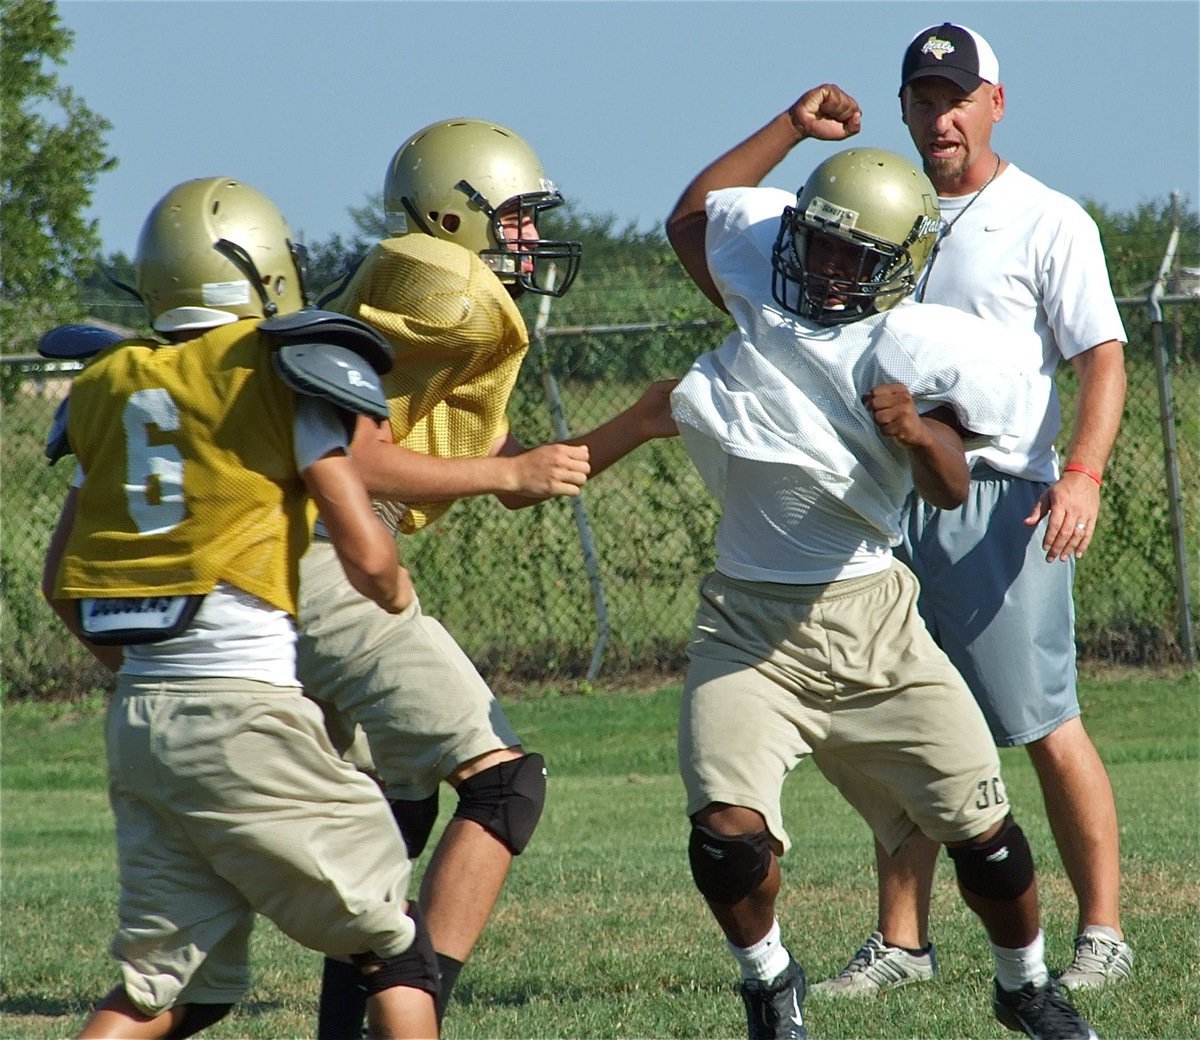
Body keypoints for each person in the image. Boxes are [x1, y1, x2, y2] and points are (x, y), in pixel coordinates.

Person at [665, 83, 1100, 1040]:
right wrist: (786, 125)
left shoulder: (916, 342)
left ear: (896, 268)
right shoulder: (761, 290)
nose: (823, 268)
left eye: (849, 255)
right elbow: (693, 215)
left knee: (989, 847)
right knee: (726, 842)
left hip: (873, 617)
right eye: (815, 241)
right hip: (746, 625)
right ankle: (769, 982)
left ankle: (1024, 985)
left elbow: (948, 485)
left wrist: (914, 433)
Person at [302, 117, 679, 1037]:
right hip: (329, 551)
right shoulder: (439, 285)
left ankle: (355, 1025)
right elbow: (355, 461)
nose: (527, 240)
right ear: (451, 216)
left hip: (317, 553)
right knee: (504, 783)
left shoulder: (432, 307)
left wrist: (640, 417)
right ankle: (417, 1006)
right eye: (513, 218)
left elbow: (511, 469)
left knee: (389, 812)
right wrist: (506, 473)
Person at [41, 177, 440, 1040]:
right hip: (243, 711)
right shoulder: (275, 370)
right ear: (261, 267)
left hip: (141, 721)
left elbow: (59, 583)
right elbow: (365, 549)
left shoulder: (110, 384)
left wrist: (150, 676)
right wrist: (392, 588)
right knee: (394, 948)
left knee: (165, 989)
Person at [814, 23, 1130, 999]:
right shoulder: (882, 213)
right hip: (892, 490)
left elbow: (1102, 358)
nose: (939, 114)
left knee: (1043, 720)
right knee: (905, 720)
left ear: (995, 102)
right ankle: (903, 942)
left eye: (957, 96)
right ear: (903, 106)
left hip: (1002, 498)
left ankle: (1105, 932)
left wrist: (1081, 474)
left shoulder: (1046, 219)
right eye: (922, 96)